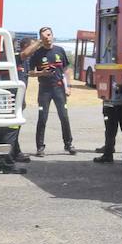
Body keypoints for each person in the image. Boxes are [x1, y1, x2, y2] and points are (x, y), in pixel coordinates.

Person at [31, 26, 74, 156]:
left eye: (49, 35)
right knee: (42, 118)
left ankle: (68, 144)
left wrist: (68, 86)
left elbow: (66, 70)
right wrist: (41, 73)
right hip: (44, 90)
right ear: (41, 38)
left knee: (64, 117)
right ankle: (40, 147)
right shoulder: (37, 53)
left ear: (52, 35)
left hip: (59, 88)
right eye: (44, 37)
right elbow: (30, 72)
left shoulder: (59, 50)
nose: (47, 38)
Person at [8, 36, 38, 164]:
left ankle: (15, 152)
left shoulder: (26, 61)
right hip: (11, 101)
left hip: (19, 100)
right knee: (11, 129)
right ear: (26, 46)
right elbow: (24, 54)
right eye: (33, 46)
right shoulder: (16, 57)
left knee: (16, 128)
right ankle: (9, 157)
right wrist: (40, 41)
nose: (35, 50)